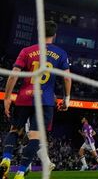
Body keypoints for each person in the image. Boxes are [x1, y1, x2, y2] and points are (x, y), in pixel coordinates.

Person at [0, 20, 71, 178]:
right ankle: (20, 172)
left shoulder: (26, 51)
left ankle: (6, 158)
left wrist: (7, 98)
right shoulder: (61, 53)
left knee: (14, 130)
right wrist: (67, 98)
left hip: (24, 98)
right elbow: (67, 78)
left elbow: (14, 75)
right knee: (35, 137)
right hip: (45, 101)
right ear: (54, 35)